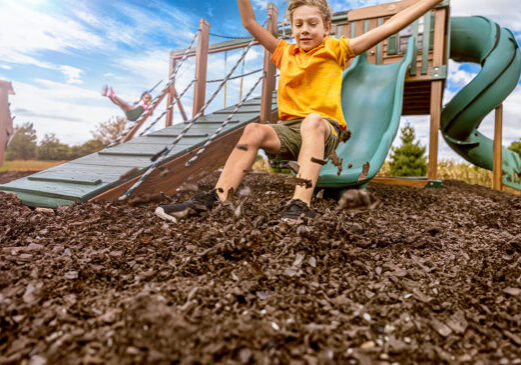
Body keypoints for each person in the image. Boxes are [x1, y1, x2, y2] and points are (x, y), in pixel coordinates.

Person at [154, 0, 443, 223]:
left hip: (325, 130)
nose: (305, 29)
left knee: (313, 121)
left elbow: (389, 28)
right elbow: (249, 22)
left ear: (326, 27)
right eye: (298, 24)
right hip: (289, 134)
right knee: (253, 129)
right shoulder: (284, 52)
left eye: (312, 24)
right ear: (292, 29)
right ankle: (216, 199)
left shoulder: (337, 50)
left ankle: (299, 205)